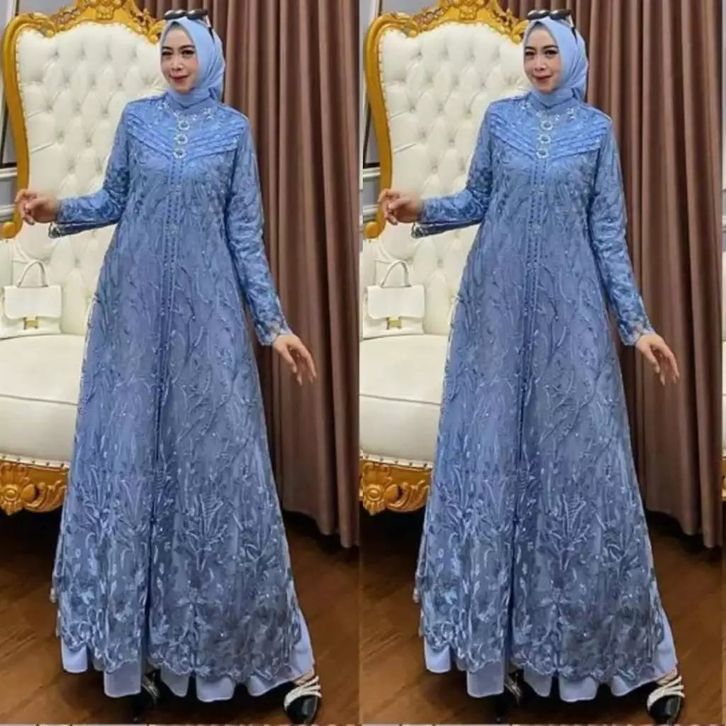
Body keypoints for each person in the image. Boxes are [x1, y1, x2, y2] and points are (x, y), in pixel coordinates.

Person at [378, 10, 684, 725]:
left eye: (551, 52)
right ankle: (501, 652)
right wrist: (421, 207)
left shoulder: (596, 132)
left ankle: (640, 657)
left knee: (582, 470)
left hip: (569, 320)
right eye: (531, 52)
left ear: (572, 57)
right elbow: (478, 199)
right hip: (494, 315)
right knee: (497, 467)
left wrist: (636, 326)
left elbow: (608, 236)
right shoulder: (501, 120)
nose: (539, 63)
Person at [15, 11, 321, 725]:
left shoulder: (234, 132)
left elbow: (245, 236)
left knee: (220, 471)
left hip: (207, 320)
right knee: (134, 468)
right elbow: (114, 200)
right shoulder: (137, 120)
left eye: (188, 52)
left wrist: (273, 325)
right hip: (131, 315)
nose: (177, 63)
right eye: (168, 52)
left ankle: (282, 660)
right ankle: (139, 650)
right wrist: (58, 206)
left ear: (209, 57)